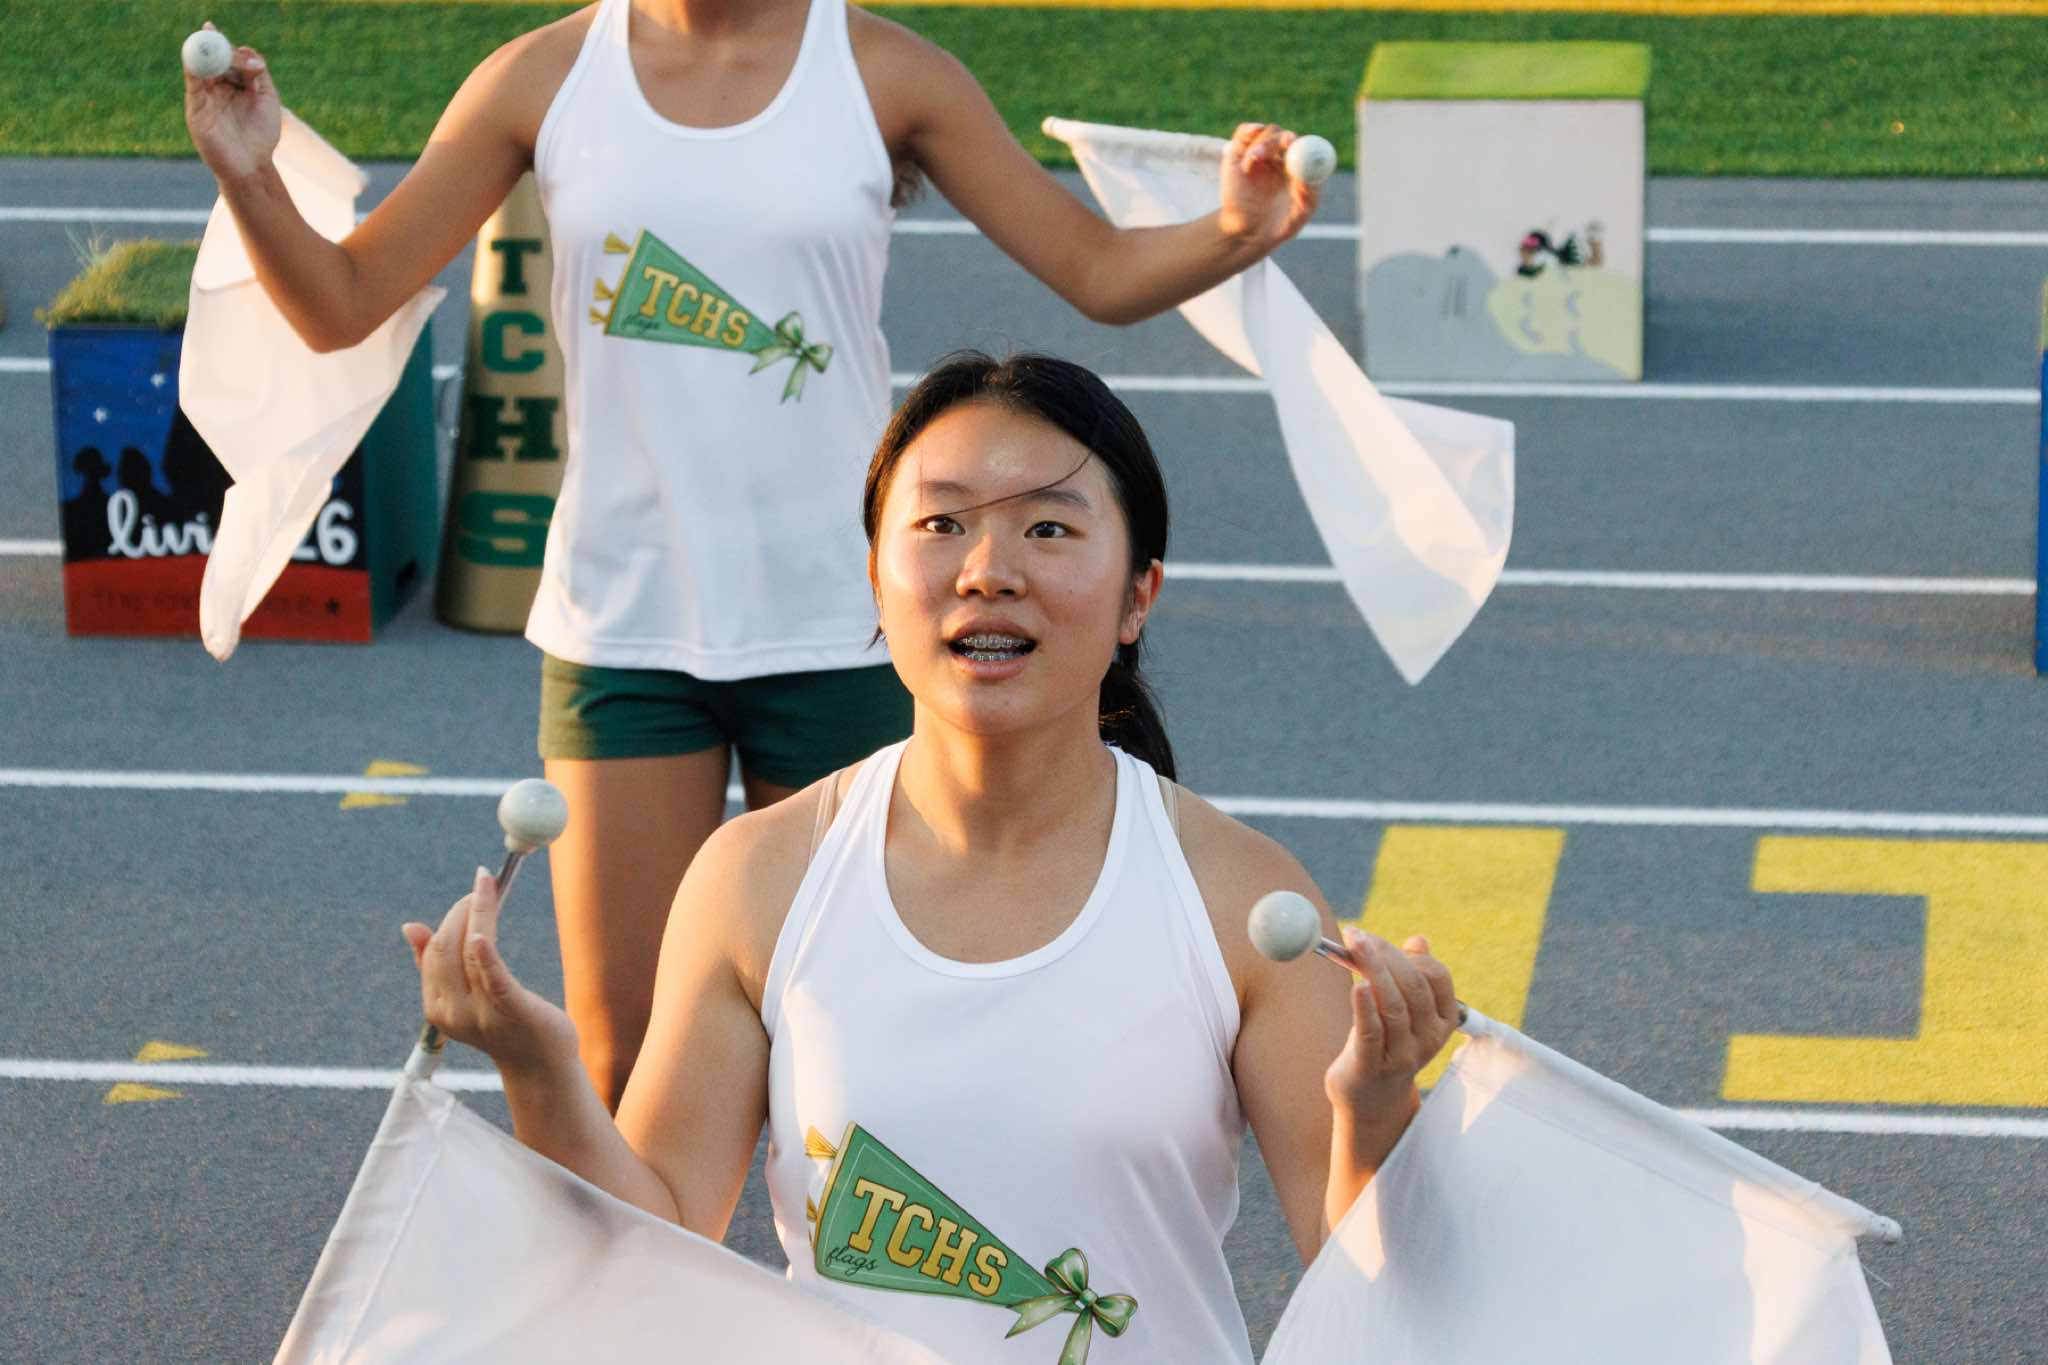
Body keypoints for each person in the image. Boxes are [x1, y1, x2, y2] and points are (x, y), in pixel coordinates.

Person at [184, 0, 1324, 1111]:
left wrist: (1238, 228)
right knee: (625, 1070)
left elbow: (1095, 269)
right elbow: (341, 303)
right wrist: (249, 172)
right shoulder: (541, 76)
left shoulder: (883, 70)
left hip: (844, 629)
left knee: (862, 1048)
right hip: (624, 629)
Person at [402, 353, 1462, 1363]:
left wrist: (1377, 1109)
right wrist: (535, 1065)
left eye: (1048, 528)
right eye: (941, 523)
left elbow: (1380, 1301)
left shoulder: (1239, 896)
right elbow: (648, 1261)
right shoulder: (757, 877)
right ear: (875, 576)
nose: (988, 571)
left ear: (1139, 595)